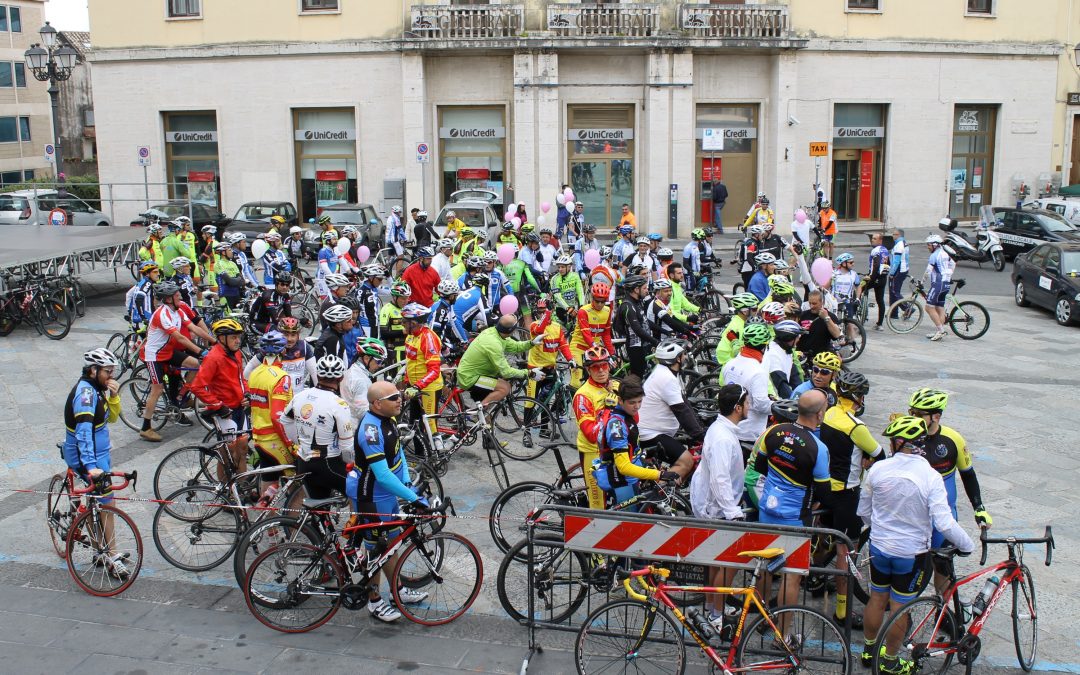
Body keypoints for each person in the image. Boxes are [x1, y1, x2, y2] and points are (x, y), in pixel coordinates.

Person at [858, 415, 975, 673]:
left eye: (891, 441)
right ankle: (889, 661)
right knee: (900, 608)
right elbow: (944, 523)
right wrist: (967, 545)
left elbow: (864, 512)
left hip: (879, 547)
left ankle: (868, 650)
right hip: (911, 553)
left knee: (877, 598)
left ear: (899, 442)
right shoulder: (930, 476)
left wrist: (880, 527)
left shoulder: (878, 469)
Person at [345, 380, 430, 623]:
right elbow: (381, 474)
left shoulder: (388, 419)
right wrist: (414, 498)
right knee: (375, 551)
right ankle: (374, 602)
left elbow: (399, 452)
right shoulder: (370, 431)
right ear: (376, 404)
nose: (399, 399)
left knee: (392, 545)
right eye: (393, 398)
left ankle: (398, 591)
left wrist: (405, 483)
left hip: (386, 495)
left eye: (398, 395)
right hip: (370, 496)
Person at [753, 389, 831, 615]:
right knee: (791, 576)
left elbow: (759, 467)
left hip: (767, 509)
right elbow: (824, 492)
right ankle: (784, 635)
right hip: (796, 517)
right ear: (818, 415)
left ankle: (761, 617)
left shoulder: (774, 431)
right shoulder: (818, 448)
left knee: (765, 567)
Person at [817, 370, 884, 628]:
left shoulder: (829, 414)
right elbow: (879, 455)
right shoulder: (856, 426)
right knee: (846, 551)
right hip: (847, 493)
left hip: (825, 489)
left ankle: (815, 576)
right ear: (857, 398)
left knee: (824, 535)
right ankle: (842, 612)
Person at [908, 388, 992, 593]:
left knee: (943, 566)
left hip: (942, 514)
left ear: (936, 416)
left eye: (919, 414)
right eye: (911, 412)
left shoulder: (953, 439)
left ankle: (942, 610)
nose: (912, 418)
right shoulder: (906, 436)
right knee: (910, 567)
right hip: (915, 515)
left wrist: (979, 508)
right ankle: (904, 610)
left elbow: (968, 475)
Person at [690, 383, 748, 623]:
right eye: (747, 403)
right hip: (717, 508)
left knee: (716, 559)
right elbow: (720, 477)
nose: (750, 406)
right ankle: (716, 615)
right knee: (728, 562)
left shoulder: (721, 428)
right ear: (737, 407)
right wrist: (732, 512)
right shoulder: (724, 438)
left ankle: (713, 607)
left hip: (712, 504)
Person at [63, 348, 123, 571]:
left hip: (100, 454)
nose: (111, 376)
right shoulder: (86, 396)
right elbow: (84, 434)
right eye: (108, 371)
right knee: (108, 502)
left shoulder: (98, 389)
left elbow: (113, 419)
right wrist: (91, 467)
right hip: (86, 456)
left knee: (98, 501)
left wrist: (114, 397)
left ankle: (101, 549)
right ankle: (111, 553)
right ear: (93, 370)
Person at [138, 281, 208, 442]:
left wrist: (214, 341)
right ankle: (146, 428)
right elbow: (180, 338)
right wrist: (201, 351)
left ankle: (181, 396)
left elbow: (194, 328)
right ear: (168, 299)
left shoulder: (177, 310)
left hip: (168, 352)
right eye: (176, 295)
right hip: (154, 355)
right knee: (157, 388)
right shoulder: (162, 314)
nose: (180, 296)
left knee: (195, 365)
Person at [596, 376, 678, 505]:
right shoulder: (617, 425)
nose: (637, 406)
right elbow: (623, 467)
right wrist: (659, 475)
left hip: (632, 478)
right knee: (629, 523)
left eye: (640, 401)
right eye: (632, 402)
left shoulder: (627, 415)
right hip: (622, 482)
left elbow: (631, 449)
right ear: (620, 401)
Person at [192, 319, 251, 472]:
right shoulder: (213, 358)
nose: (238, 341)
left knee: (242, 450)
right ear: (221, 338)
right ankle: (225, 490)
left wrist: (247, 392)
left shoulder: (235, 353)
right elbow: (197, 387)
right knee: (227, 454)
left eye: (238, 337)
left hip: (239, 409)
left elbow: (240, 378)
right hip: (225, 413)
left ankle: (241, 486)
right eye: (233, 337)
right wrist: (218, 405)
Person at [243, 330, 299, 488]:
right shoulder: (281, 377)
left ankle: (265, 510)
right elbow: (277, 416)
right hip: (275, 439)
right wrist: (290, 444)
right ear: (283, 351)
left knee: (270, 480)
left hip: (259, 438)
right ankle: (290, 513)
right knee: (297, 481)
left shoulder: (255, 373)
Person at [636, 341, 700, 478]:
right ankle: (660, 496)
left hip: (652, 430)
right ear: (677, 359)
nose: (685, 358)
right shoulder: (666, 379)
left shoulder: (663, 371)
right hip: (650, 434)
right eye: (683, 355)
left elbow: (684, 402)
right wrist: (700, 435)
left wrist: (699, 426)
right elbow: (682, 411)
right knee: (686, 461)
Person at [455, 314, 537, 409]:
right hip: (470, 378)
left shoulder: (497, 332)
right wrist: (529, 373)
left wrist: (531, 343)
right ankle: (479, 414)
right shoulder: (494, 344)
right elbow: (506, 372)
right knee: (504, 388)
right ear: (511, 330)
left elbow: (516, 346)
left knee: (501, 383)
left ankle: (485, 417)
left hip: (479, 373)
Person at [573, 346, 618, 510]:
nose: (601, 371)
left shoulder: (617, 386)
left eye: (604, 366)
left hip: (617, 449)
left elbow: (635, 417)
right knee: (598, 505)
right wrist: (608, 410)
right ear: (587, 370)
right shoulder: (582, 395)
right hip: (594, 452)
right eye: (595, 367)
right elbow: (591, 434)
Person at [720, 321, 774, 443]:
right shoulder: (758, 371)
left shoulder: (730, 364)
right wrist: (776, 406)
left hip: (730, 427)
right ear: (764, 347)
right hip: (750, 433)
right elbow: (761, 404)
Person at [400, 303, 442, 442]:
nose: (402, 324)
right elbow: (410, 361)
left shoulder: (427, 338)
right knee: (414, 424)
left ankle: (436, 458)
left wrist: (417, 386)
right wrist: (406, 381)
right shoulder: (411, 336)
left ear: (413, 323)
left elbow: (434, 371)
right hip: (414, 387)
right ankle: (420, 456)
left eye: (404, 322)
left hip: (428, 389)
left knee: (429, 427)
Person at [568, 282, 615, 389]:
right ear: (591, 298)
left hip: (594, 349)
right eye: (597, 301)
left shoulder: (608, 311)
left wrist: (612, 353)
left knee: (600, 379)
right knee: (576, 382)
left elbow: (606, 334)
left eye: (603, 301)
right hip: (578, 348)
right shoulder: (583, 311)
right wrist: (597, 349)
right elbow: (586, 334)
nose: (599, 304)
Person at [613, 275, 656, 379]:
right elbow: (637, 329)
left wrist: (665, 332)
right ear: (636, 289)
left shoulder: (637, 302)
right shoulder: (628, 306)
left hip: (644, 345)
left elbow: (646, 321)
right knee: (637, 381)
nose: (647, 291)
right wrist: (655, 341)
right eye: (645, 288)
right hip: (635, 348)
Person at [342, 337, 387, 429]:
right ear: (366, 358)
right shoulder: (360, 379)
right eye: (379, 361)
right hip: (355, 428)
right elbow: (362, 411)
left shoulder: (353, 370)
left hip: (347, 422)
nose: (380, 365)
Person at [923, 234, 955, 341]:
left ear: (935, 245)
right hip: (945, 284)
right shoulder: (945, 253)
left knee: (928, 307)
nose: (928, 247)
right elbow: (953, 264)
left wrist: (922, 282)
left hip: (938, 284)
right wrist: (949, 275)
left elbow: (928, 271)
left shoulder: (934, 255)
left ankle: (941, 331)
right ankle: (940, 330)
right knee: (939, 307)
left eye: (929, 245)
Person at [714, 292, 759, 367]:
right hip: (731, 365)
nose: (757, 311)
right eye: (754, 309)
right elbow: (724, 351)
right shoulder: (737, 327)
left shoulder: (742, 321)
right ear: (745, 311)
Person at [764, 320, 807, 398]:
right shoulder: (773, 354)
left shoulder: (786, 350)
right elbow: (781, 385)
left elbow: (795, 377)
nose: (799, 339)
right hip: (774, 400)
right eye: (798, 336)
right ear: (789, 338)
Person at [797, 289, 841, 359]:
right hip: (803, 356)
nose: (811, 306)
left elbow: (836, 335)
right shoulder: (802, 315)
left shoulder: (831, 316)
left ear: (822, 302)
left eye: (814, 303)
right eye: (810, 303)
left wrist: (826, 318)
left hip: (821, 358)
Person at [428, 279, 467, 354]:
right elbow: (434, 333)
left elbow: (455, 323)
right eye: (456, 295)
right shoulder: (440, 310)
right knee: (446, 362)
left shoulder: (448, 306)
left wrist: (465, 341)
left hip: (440, 337)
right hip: (432, 343)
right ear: (451, 296)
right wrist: (443, 347)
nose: (457, 297)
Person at [831, 252, 862, 342]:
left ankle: (852, 342)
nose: (853, 264)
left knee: (850, 324)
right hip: (834, 302)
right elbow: (827, 286)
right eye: (851, 262)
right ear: (844, 264)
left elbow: (858, 286)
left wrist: (857, 298)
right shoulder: (834, 273)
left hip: (847, 301)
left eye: (853, 262)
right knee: (833, 322)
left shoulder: (853, 274)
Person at [379, 280, 411, 362]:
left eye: (407, 298)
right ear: (394, 297)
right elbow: (383, 334)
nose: (406, 301)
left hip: (408, 349)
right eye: (403, 298)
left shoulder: (408, 308)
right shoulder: (387, 309)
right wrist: (403, 332)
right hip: (393, 350)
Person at [549, 254, 585, 325]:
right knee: (563, 332)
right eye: (559, 267)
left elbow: (580, 291)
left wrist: (582, 305)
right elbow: (557, 297)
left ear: (569, 267)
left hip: (573, 308)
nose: (560, 269)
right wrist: (568, 308)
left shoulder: (575, 276)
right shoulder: (554, 279)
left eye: (562, 267)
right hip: (561, 309)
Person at [125, 262, 159, 330]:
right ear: (147, 274)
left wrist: (129, 310)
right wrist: (143, 317)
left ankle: (132, 340)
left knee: (138, 338)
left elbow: (128, 294)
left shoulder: (140, 283)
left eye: (158, 272)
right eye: (155, 272)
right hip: (145, 318)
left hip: (136, 317)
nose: (158, 274)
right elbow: (139, 299)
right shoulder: (148, 283)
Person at [867, 233, 891, 330]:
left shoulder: (875, 251)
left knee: (860, 288)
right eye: (872, 238)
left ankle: (860, 312)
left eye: (875, 239)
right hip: (883, 278)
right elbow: (888, 263)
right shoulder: (885, 250)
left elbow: (876, 265)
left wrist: (871, 278)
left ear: (880, 241)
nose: (872, 240)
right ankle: (879, 324)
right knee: (880, 301)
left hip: (874, 277)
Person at [888, 228, 909, 319]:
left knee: (894, 291)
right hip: (903, 270)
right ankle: (893, 313)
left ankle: (907, 308)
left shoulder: (899, 245)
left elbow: (896, 261)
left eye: (895, 234)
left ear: (899, 235)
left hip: (898, 271)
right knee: (894, 291)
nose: (893, 236)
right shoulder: (904, 243)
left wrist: (892, 273)